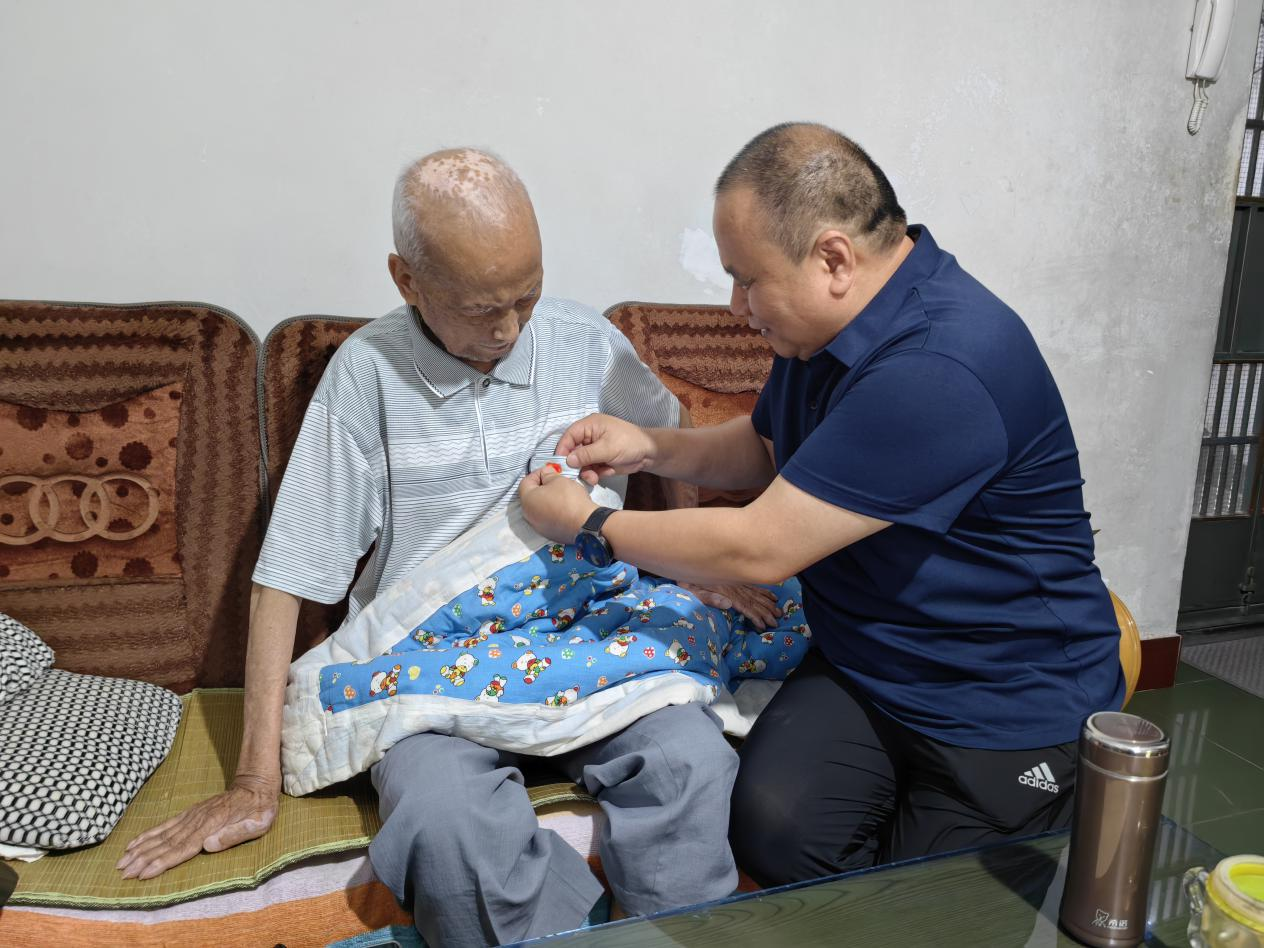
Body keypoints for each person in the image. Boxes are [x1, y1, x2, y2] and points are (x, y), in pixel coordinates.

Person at [117, 149, 767, 947]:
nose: (508, 329)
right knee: (445, 824)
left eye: (526, 297)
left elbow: (670, 446)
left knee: (689, 761)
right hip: (431, 671)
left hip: (584, 638)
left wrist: (696, 567)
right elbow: (287, 575)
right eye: (480, 309)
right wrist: (254, 780)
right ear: (407, 280)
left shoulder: (585, 342)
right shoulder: (366, 375)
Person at [519, 122, 1124, 887]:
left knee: (927, 904)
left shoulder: (939, 366)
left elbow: (760, 546)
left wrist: (590, 523)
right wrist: (650, 445)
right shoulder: (821, 334)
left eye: (746, 279)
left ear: (833, 259)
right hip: (867, 664)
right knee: (771, 833)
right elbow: (767, 447)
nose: (736, 305)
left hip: (1001, 700)